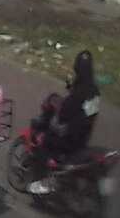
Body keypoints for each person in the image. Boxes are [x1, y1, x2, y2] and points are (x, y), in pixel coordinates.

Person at [28, 50, 101, 194]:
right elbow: (83, 111)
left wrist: (60, 113)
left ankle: (48, 181)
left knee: (42, 140)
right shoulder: (94, 90)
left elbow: (64, 113)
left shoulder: (79, 92)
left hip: (70, 138)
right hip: (83, 137)